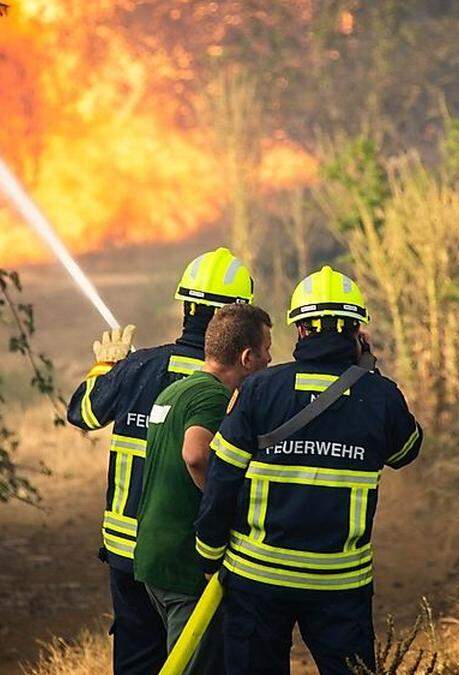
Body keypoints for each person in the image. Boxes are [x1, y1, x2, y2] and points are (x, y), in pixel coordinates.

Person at [194, 266, 423, 675]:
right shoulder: (379, 395)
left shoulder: (260, 388)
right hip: (339, 586)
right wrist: (371, 371)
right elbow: (406, 451)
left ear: (299, 330)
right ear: (357, 330)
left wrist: (209, 550)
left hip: (257, 579)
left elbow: (223, 476)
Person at [66, 247, 255, 674]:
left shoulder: (138, 367)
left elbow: (83, 412)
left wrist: (104, 368)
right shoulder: (237, 384)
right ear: (235, 318)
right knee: (192, 658)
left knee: (137, 658)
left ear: (186, 305)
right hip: (185, 554)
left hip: (124, 548)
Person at [135, 303, 274, 674]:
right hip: (186, 564)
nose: (270, 358)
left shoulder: (175, 391)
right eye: (266, 350)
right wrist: (223, 508)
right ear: (247, 357)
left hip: (153, 556)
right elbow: (195, 455)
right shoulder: (212, 396)